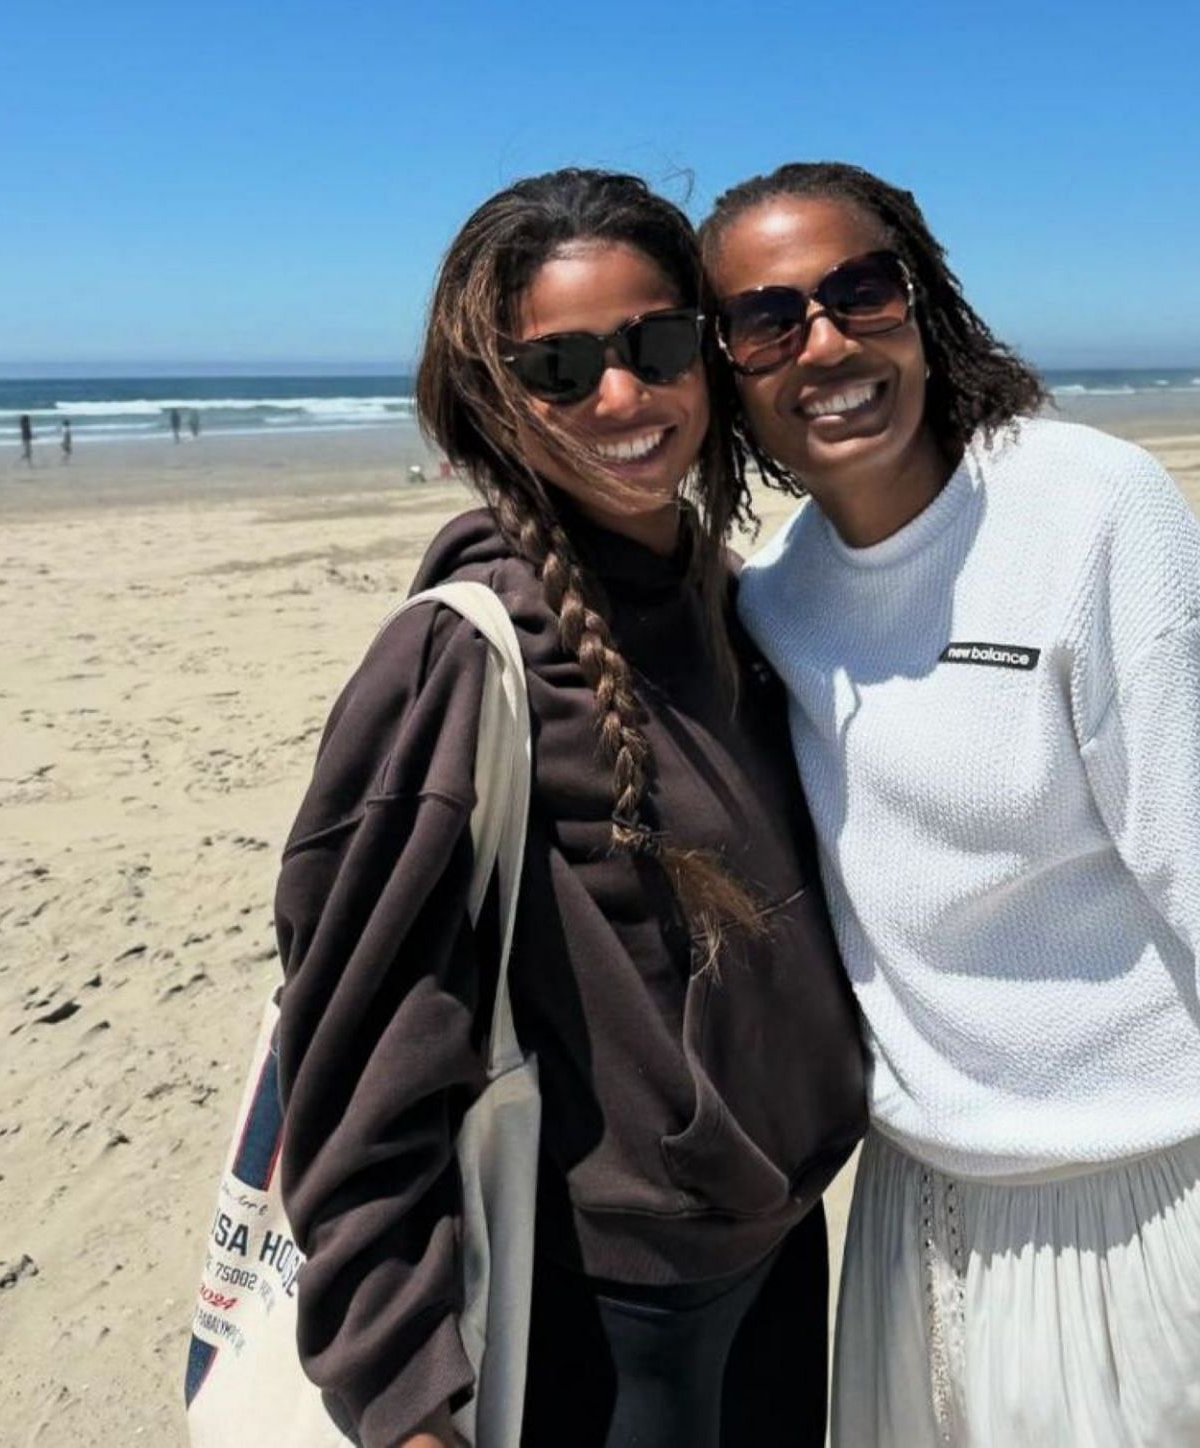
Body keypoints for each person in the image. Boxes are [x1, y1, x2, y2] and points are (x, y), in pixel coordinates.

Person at [702, 161, 1200, 1448]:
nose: (823, 341)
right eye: (768, 319)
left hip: (1147, 1212)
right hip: (910, 1234)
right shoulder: (774, 595)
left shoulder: (1096, 515)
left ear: (922, 306)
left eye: (859, 291)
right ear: (729, 370)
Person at [272, 169, 866, 1448]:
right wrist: (404, 1396)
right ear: (496, 398)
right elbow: (360, 1053)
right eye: (562, 368)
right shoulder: (462, 656)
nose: (624, 395)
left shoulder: (731, 609)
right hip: (614, 1309)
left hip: (779, 1246)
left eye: (657, 344)